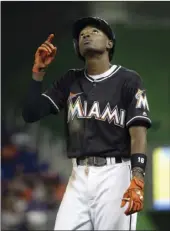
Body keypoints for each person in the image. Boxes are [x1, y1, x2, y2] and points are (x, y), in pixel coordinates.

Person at [22, 17, 152, 230]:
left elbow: (138, 133)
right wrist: (38, 73)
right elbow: (31, 113)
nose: (86, 34)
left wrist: (137, 178)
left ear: (110, 43)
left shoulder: (128, 80)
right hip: (78, 177)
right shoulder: (70, 81)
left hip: (116, 174)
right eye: (81, 34)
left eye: (94, 31)